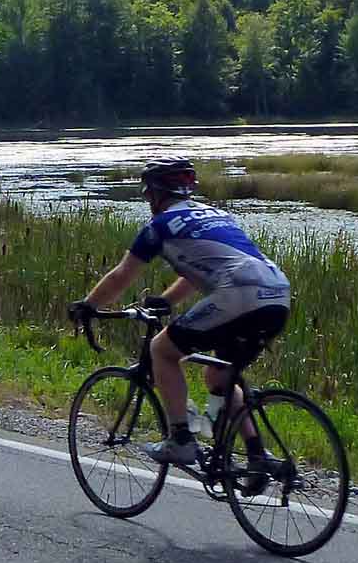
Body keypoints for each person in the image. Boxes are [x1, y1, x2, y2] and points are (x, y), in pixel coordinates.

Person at [68, 158, 291, 466]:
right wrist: (168, 300)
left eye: (148, 194)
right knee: (219, 375)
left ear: (158, 193)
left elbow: (122, 275)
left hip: (240, 293)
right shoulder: (216, 214)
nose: (147, 201)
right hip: (277, 293)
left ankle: (181, 440)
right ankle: (257, 455)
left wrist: (89, 305)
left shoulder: (158, 227)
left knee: (162, 349)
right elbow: (199, 268)